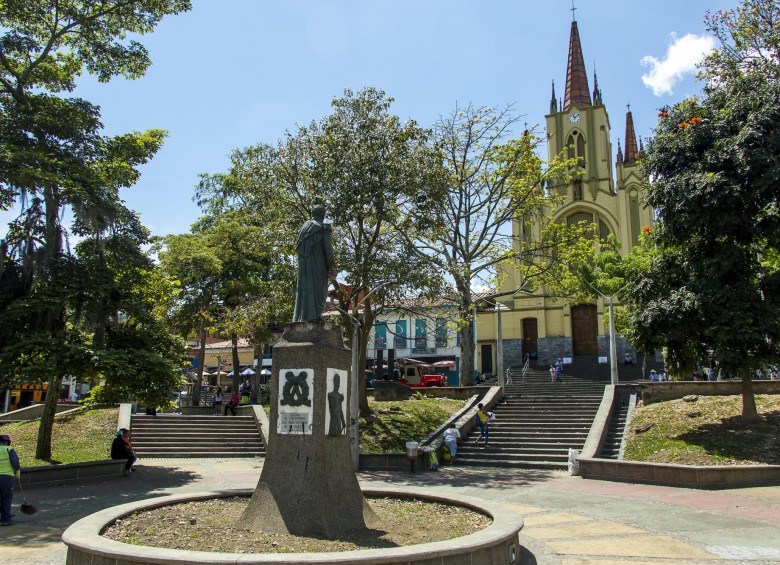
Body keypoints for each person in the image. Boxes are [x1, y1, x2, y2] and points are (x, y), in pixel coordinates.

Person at [293, 204, 336, 322]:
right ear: (323, 215)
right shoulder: (322, 228)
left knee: (305, 289)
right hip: (318, 265)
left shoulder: (304, 229)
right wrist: (333, 268)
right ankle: (315, 316)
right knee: (320, 291)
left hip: (304, 268)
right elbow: (328, 250)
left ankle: (304, 316)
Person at [0, 434, 20, 526]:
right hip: (7, 477)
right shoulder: (9, 449)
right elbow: (16, 465)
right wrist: (17, 473)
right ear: (8, 442)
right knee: (6, 498)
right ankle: (6, 519)